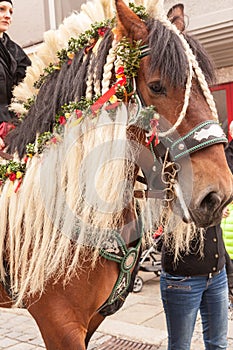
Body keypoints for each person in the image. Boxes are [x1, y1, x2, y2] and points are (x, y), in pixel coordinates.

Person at [160, 224, 233, 350]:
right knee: (180, 346)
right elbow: (159, 239)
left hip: (217, 276)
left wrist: (229, 272)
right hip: (183, 281)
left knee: (219, 344)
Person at [0, 0, 31, 149]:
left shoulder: (15, 51)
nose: (8, 16)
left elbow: (31, 84)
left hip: (14, 132)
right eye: (1, 9)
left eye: (11, 12)